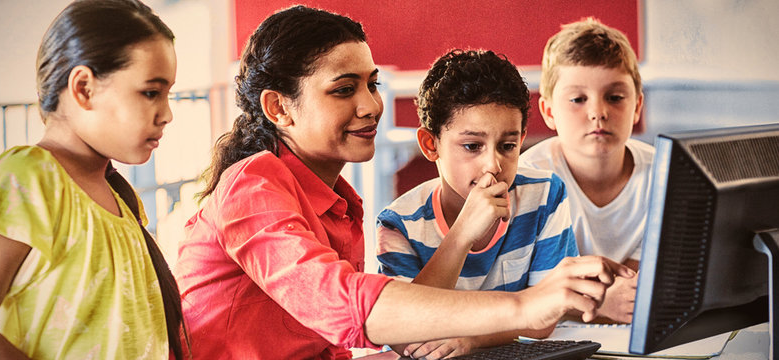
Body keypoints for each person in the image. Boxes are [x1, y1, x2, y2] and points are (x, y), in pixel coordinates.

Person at [174, 6, 634, 360]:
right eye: (343, 89)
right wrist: (526, 307)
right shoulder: (250, 187)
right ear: (279, 109)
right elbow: (346, 307)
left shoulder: (338, 200)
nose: (371, 105)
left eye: (371, 84)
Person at [0, 0, 186, 359]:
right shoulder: (27, 179)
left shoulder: (121, 199)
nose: (167, 114)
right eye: (151, 92)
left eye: (168, 94)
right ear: (84, 88)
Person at [375, 49, 580, 358]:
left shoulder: (545, 196)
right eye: (472, 146)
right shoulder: (398, 225)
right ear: (431, 145)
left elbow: (546, 315)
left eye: (508, 146)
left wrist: (472, 340)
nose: (493, 164)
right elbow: (404, 333)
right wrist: (460, 236)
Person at [518, 17, 654, 324]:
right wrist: (599, 303)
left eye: (615, 97)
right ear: (549, 111)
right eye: (578, 99)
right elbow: (523, 291)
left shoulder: (663, 176)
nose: (598, 112)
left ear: (637, 107)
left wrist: (610, 298)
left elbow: (638, 287)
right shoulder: (529, 180)